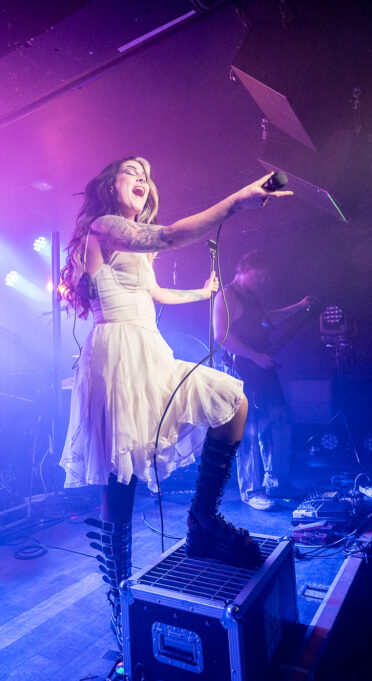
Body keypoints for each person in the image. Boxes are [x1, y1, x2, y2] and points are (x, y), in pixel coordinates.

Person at [58, 156, 291, 642]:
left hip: (151, 352)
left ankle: (202, 519)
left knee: (233, 401)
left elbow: (155, 294)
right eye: (131, 172)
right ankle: (119, 602)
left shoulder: (130, 243)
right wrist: (237, 202)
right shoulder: (105, 225)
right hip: (118, 356)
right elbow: (167, 236)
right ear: (109, 185)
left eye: (147, 173)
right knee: (120, 483)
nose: (143, 177)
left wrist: (199, 293)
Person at [215, 249, 315, 510]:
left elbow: (269, 319)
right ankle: (252, 491)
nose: (265, 280)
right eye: (261, 275)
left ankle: (277, 482)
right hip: (241, 371)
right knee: (248, 431)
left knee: (279, 421)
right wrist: (254, 355)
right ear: (245, 269)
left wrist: (299, 306)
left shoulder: (252, 298)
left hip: (261, 369)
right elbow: (221, 336)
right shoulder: (227, 295)